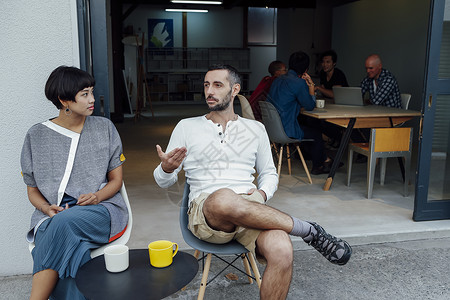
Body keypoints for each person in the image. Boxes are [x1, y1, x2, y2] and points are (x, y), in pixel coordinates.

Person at [154, 64, 352, 300]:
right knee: (224, 197)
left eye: (218, 85)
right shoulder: (187, 126)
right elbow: (163, 182)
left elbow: (269, 173)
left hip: (250, 208)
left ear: (235, 89)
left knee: (282, 248)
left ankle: (302, 230)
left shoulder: (255, 129)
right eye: (207, 85)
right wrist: (167, 169)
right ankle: (308, 229)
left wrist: (260, 196)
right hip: (208, 212)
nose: (210, 91)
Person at [21, 66, 128, 300]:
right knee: (73, 246)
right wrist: (45, 208)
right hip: (52, 215)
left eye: (91, 92)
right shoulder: (36, 136)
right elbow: (32, 190)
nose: (92, 100)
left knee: (63, 225)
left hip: (101, 209)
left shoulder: (104, 128)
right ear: (64, 100)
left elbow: (116, 180)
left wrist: (97, 197)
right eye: (84, 94)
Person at [268, 51, 337, 175]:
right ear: (306, 69)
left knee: (307, 125)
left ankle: (323, 159)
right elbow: (310, 106)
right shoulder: (298, 83)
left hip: (272, 128)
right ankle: (318, 166)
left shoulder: (277, 80)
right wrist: (311, 87)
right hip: (286, 129)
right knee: (316, 134)